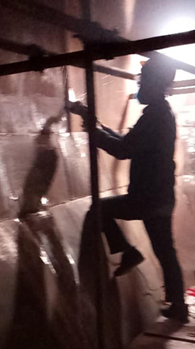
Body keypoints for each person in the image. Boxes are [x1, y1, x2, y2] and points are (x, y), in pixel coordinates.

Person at [70, 55, 188, 323]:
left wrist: (94, 131)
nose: (139, 86)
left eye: (142, 81)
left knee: (99, 209)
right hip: (160, 196)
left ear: (154, 84)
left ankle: (127, 250)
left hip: (147, 197)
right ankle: (178, 305)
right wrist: (97, 126)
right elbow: (128, 141)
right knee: (165, 251)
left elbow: (123, 149)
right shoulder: (160, 113)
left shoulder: (155, 116)